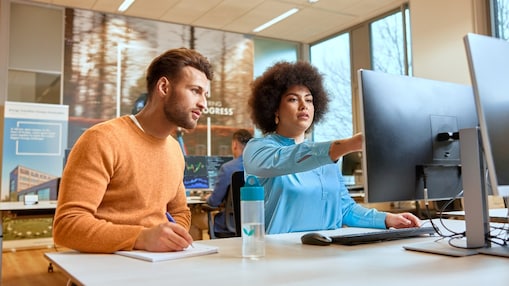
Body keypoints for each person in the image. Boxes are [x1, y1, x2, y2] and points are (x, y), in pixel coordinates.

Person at [53, 48, 214, 253]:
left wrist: (172, 239)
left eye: (205, 95)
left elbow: (180, 211)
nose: (203, 104)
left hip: (158, 267)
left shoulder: (174, 150)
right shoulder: (102, 139)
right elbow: (67, 225)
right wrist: (141, 237)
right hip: (104, 271)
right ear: (164, 87)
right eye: (195, 91)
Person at [243, 60, 421, 234]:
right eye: (292, 99)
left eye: (309, 100)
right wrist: (347, 145)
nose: (304, 106)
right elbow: (288, 159)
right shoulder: (257, 150)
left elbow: (345, 210)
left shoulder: (328, 160)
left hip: (328, 250)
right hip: (279, 255)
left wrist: (388, 219)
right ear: (274, 109)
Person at [204, 129, 253, 237]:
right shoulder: (259, 167)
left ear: (235, 144)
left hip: (229, 226)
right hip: (253, 224)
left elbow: (214, 202)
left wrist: (208, 197)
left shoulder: (228, 168)